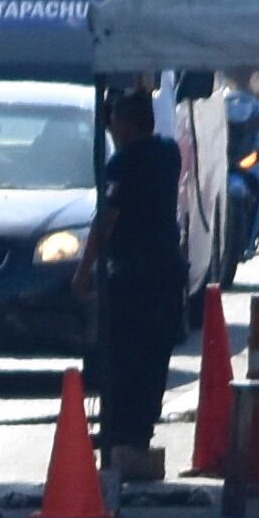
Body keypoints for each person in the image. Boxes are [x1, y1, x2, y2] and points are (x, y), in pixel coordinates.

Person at [88, 81, 191, 483]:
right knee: (153, 359)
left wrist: (84, 272)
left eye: (114, 122)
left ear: (125, 126)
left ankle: (123, 434)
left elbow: (107, 219)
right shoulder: (167, 154)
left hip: (133, 277)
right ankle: (138, 434)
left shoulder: (124, 164)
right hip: (166, 274)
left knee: (123, 359)